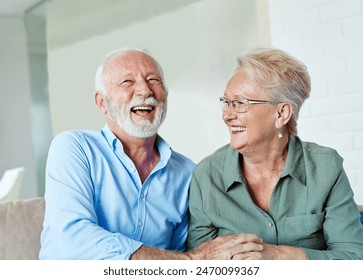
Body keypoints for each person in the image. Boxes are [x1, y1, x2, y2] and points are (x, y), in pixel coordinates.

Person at [39, 48, 263, 260]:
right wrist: (190, 261)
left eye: (153, 80)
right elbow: (72, 240)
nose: (145, 91)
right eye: (127, 81)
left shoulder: (187, 172)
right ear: (102, 103)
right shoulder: (74, 148)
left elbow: (178, 252)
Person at [187, 48, 363, 260]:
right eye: (226, 102)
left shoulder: (326, 167)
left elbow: (353, 258)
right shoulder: (207, 176)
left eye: (240, 103)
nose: (227, 115)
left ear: (281, 113)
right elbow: (199, 265)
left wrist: (279, 256)